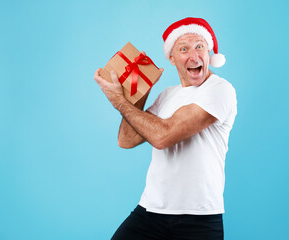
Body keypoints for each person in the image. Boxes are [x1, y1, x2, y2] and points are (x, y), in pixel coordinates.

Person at [94, 17, 237, 240]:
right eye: (183, 49)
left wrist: (119, 101)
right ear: (171, 58)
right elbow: (127, 139)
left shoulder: (219, 89)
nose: (194, 56)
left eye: (200, 46)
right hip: (151, 211)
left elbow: (162, 136)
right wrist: (143, 88)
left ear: (209, 52)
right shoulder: (168, 95)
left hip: (199, 218)